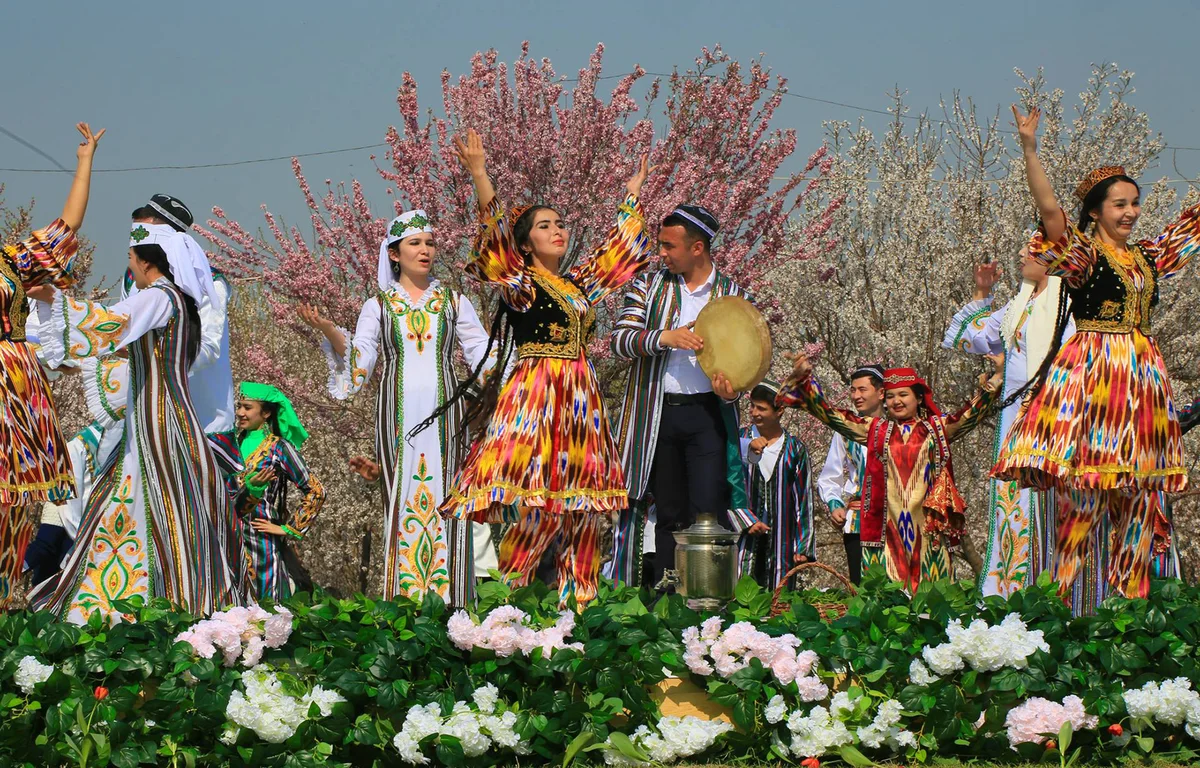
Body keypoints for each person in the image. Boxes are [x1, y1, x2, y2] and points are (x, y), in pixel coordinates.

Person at [425, 129, 652, 608]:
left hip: (581, 399)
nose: (558, 230)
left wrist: (630, 199)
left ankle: (581, 612)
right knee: (539, 509)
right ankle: (501, 609)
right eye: (545, 226)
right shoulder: (522, 284)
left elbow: (616, 259)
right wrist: (480, 175)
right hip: (538, 396)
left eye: (560, 223)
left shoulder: (577, 285)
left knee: (584, 513)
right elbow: (496, 249)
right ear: (526, 244)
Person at [993, 106, 1200, 599]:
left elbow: (1192, 228)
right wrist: (1029, 148)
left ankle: (1129, 613)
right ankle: (1056, 610)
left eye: (1134, 203)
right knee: (1083, 501)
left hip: (1142, 382)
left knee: (1141, 498)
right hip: (1095, 381)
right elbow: (1048, 213)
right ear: (1095, 211)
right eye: (1119, 205)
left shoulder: (1148, 256)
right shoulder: (1084, 254)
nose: (1130, 212)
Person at [30, 221, 247, 622]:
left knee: (151, 500)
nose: (129, 268)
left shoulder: (160, 297)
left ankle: (148, 599)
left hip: (156, 419)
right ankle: (174, 593)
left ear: (147, 263)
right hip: (168, 416)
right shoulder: (180, 301)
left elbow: (108, 325)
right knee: (167, 503)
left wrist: (54, 298)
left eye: (131, 259)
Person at [300, 208, 495, 607]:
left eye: (430, 243)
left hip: (446, 418)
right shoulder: (378, 305)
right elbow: (360, 360)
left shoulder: (455, 301)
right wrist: (328, 330)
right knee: (401, 500)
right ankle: (403, 603)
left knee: (447, 500)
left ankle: (454, 603)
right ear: (394, 253)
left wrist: (500, 382)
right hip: (396, 416)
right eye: (414, 244)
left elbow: (484, 354)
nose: (425, 251)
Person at [942, 246, 1107, 612]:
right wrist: (982, 293)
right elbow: (970, 338)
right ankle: (1012, 602)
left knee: (1059, 509)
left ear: (1054, 257)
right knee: (1017, 506)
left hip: (1059, 422)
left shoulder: (1071, 305)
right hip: (1017, 424)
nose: (1019, 255)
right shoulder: (1019, 303)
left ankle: (1069, 604)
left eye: (1030, 250)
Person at [607, 204, 752, 589]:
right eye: (660, 245)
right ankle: (665, 598)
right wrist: (664, 337)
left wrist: (733, 388)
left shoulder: (733, 295)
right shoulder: (647, 286)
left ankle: (706, 599)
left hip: (707, 418)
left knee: (707, 510)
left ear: (698, 248)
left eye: (669, 246)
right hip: (657, 417)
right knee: (667, 512)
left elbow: (747, 359)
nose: (662, 254)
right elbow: (619, 341)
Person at [779, 355, 1004, 591]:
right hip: (886, 532)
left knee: (934, 598)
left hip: (928, 531)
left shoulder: (936, 430)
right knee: (888, 602)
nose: (896, 401)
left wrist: (997, 377)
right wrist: (804, 381)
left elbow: (969, 415)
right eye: (891, 396)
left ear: (918, 397)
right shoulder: (877, 431)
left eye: (903, 395)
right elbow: (834, 417)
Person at [0, 123, 102, 609]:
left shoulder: (12, 261)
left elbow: (68, 224)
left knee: (18, 500)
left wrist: (84, 159)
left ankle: (6, 598)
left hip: (17, 386)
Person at [225, 383, 326, 601]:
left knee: (268, 609)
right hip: (227, 538)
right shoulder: (228, 443)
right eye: (239, 406)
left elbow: (316, 490)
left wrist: (290, 529)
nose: (241, 413)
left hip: (262, 542)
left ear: (266, 413)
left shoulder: (278, 448)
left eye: (248, 408)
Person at [738, 380, 815, 590]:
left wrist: (803, 545)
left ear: (779, 410)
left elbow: (803, 498)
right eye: (752, 406)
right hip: (742, 539)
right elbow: (727, 485)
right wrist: (745, 520)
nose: (754, 413)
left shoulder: (794, 449)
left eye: (761, 408)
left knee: (779, 599)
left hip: (782, 541)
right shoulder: (739, 440)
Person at [815, 364, 886, 585]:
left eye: (862, 390)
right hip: (858, 522)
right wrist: (835, 503)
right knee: (861, 585)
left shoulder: (900, 428)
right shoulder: (845, 430)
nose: (856, 396)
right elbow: (830, 476)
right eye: (853, 390)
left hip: (894, 519)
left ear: (881, 392)